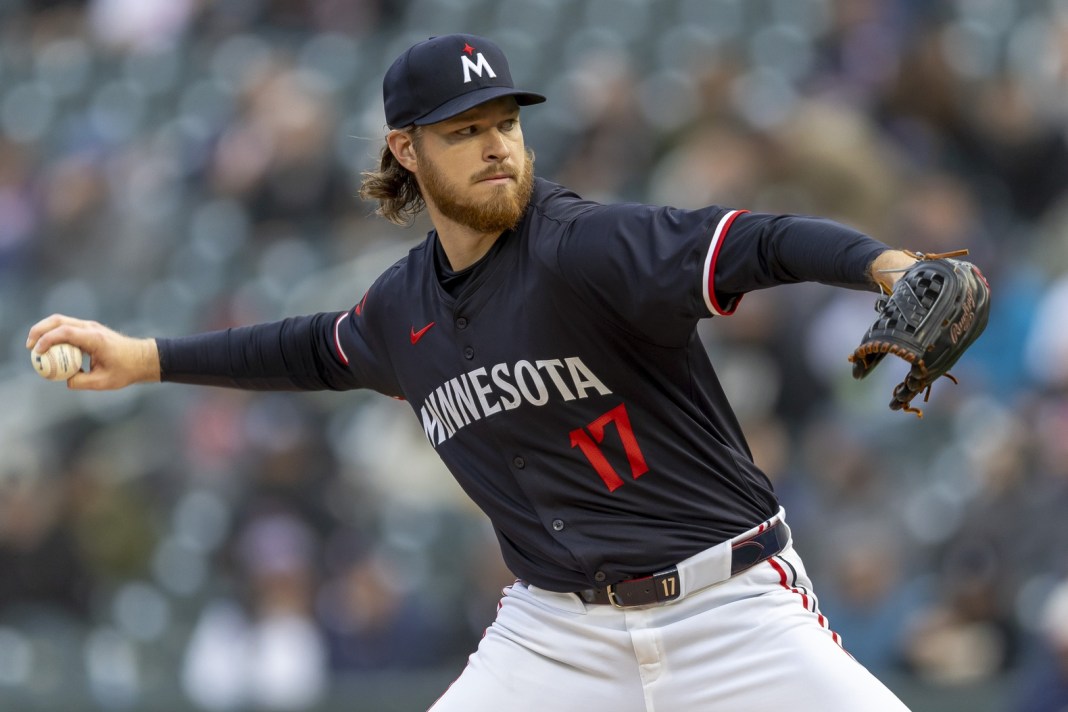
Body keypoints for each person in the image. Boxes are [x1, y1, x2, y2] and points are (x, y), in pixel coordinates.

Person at [27, 33, 935, 711]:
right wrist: (147, 358)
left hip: (728, 605)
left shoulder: (586, 245)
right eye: (465, 130)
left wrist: (887, 266)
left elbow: (753, 242)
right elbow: (307, 349)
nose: (498, 144)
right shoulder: (401, 310)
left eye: (505, 122)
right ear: (405, 150)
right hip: (557, 634)